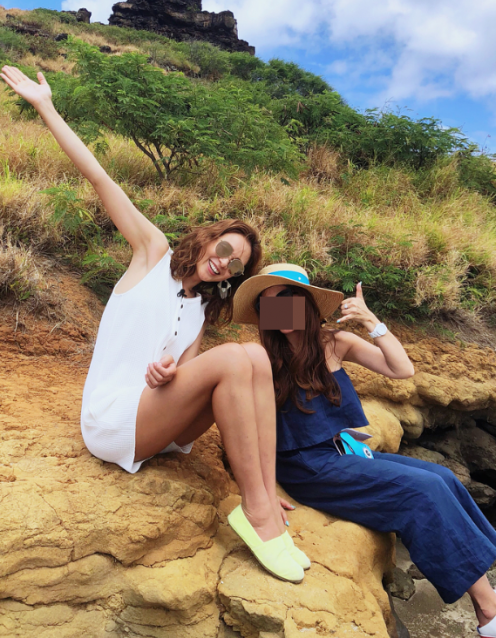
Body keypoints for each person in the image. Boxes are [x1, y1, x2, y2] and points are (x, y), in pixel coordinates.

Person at [0, 66, 308, 583]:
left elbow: (188, 382)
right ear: (209, 239)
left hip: (159, 424)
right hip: (113, 419)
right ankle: (258, 514)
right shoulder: (152, 253)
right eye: (225, 249)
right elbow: (100, 178)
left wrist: (166, 374)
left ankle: (263, 499)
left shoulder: (201, 310)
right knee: (243, 356)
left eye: (236, 265)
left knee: (255, 356)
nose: (225, 263)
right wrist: (45, 106)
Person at [232, 262, 496, 637]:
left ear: (307, 302)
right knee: (422, 490)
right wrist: (262, 490)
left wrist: (371, 321)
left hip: (342, 452)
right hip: (307, 467)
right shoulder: (263, 358)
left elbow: (401, 370)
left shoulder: (334, 343)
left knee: (442, 476)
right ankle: (490, 613)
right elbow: (254, 428)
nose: (279, 308)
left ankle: (495, 593)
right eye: (268, 303)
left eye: (287, 296)